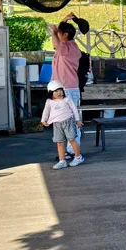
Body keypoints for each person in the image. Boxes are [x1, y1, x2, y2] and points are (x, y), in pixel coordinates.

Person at [50, 13, 84, 144]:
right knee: (61, 121)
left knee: (71, 122)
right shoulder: (67, 45)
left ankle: (74, 151)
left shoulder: (69, 48)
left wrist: (54, 31)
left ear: (65, 35)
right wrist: (64, 20)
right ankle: (68, 150)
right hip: (62, 89)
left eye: (59, 33)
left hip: (68, 89)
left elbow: (57, 44)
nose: (55, 35)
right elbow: (59, 40)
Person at [41, 80, 84, 170]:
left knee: (72, 139)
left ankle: (78, 157)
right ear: (51, 93)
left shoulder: (67, 99)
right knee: (59, 142)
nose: (59, 92)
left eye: (60, 90)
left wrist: (77, 120)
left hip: (68, 122)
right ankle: (62, 161)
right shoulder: (49, 101)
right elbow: (46, 111)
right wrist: (43, 120)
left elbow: (74, 109)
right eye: (56, 91)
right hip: (57, 124)